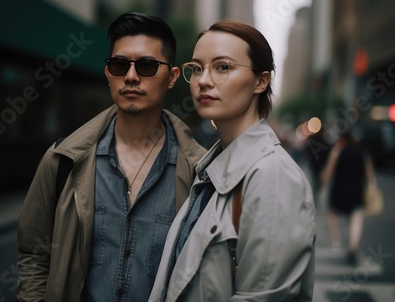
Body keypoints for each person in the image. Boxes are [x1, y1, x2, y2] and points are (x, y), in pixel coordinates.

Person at [16, 12, 206, 302]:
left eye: (147, 65)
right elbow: (33, 254)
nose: (131, 76)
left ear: (171, 77)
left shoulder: (199, 173)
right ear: (108, 74)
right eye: (120, 65)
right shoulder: (63, 160)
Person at [149, 20, 316, 301]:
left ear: (261, 82)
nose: (203, 80)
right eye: (197, 68)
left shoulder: (271, 176)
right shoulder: (212, 168)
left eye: (222, 67)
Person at [320, 131, 375, 265]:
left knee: (333, 215)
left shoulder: (337, 151)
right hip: (357, 190)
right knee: (356, 217)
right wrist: (372, 187)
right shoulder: (362, 152)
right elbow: (369, 174)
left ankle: (336, 242)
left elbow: (328, 172)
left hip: (339, 189)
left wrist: (322, 181)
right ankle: (353, 246)